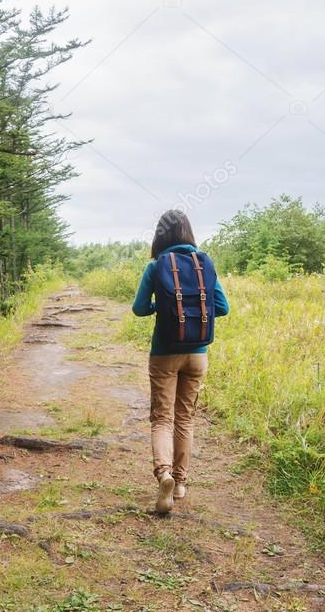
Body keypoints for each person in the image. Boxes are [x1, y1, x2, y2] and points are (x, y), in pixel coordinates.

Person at [132, 210, 229, 514]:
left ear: (160, 236)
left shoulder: (156, 266)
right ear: (188, 232)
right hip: (198, 354)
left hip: (164, 352)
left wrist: (161, 307)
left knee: (162, 419)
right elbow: (222, 307)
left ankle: (164, 475)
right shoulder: (205, 263)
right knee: (185, 418)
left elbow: (138, 308)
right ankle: (182, 482)